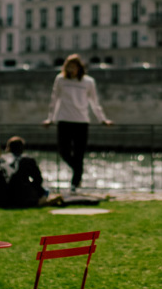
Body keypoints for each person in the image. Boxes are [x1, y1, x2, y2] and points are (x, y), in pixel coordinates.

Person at [42, 53, 113, 192]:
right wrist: (50, 118)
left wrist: (102, 119)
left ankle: (75, 183)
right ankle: (78, 171)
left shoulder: (88, 82)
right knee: (64, 151)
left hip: (81, 121)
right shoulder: (61, 80)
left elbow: (94, 102)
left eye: (73, 67)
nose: (71, 70)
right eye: (69, 67)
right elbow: (54, 100)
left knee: (79, 154)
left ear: (79, 68)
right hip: (64, 120)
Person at [0, 136, 57, 208]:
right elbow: (38, 180)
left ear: (8, 147)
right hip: (23, 197)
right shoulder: (28, 159)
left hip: (1, 198)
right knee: (45, 191)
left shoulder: (0, 160)